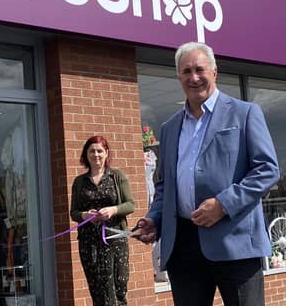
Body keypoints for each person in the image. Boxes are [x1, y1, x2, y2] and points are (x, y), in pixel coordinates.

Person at [134, 42, 280, 306]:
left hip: (234, 241)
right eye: (186, 71)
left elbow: (267, 169)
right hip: (183, 246)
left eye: (199, 69)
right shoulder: (169, 128)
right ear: (178, 76)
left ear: (214, 72)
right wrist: (155, 219)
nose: (194, 77)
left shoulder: (245, 113)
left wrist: (223, 204)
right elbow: (165, 184)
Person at [70, 135, 135, 306]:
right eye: (92, 151)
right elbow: (74, 212)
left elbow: (130, 204)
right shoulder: (79, 182)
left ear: (106, 153)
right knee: (98, 290)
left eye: (100, 151)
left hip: (115, 240)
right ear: (86, 154)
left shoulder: (117, 176)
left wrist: (113, 210)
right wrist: (84, 215)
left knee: (118, 289)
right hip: (89, 243)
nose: (96, 154)